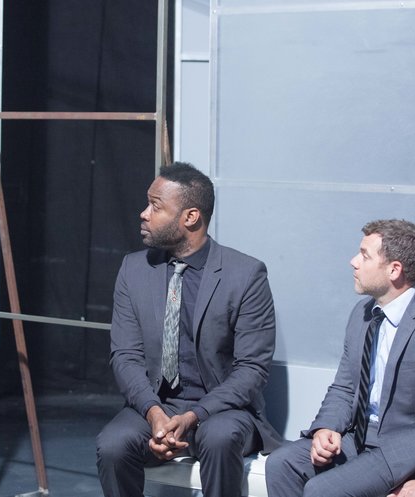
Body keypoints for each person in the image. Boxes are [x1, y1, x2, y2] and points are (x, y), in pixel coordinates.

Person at [265, 219, 415, 497]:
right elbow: (345, 386)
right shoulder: (362, 314)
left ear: (394, 270)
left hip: (406, 449)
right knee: (281, 463)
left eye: (364, 255)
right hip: (358, 438)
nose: (353, 262)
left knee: (322, 490)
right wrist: (326, 428)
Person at [96, 162, 283, 497]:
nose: (143, 213)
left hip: (220, 409)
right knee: (113, 445)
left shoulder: (246, 274)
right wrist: (154, 413)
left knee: (219, 437)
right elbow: (125, 356)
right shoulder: (134, 269)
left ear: (191, 217)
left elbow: (252, 369)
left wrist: (195, 415)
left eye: (155, 206)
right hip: (155, 405)